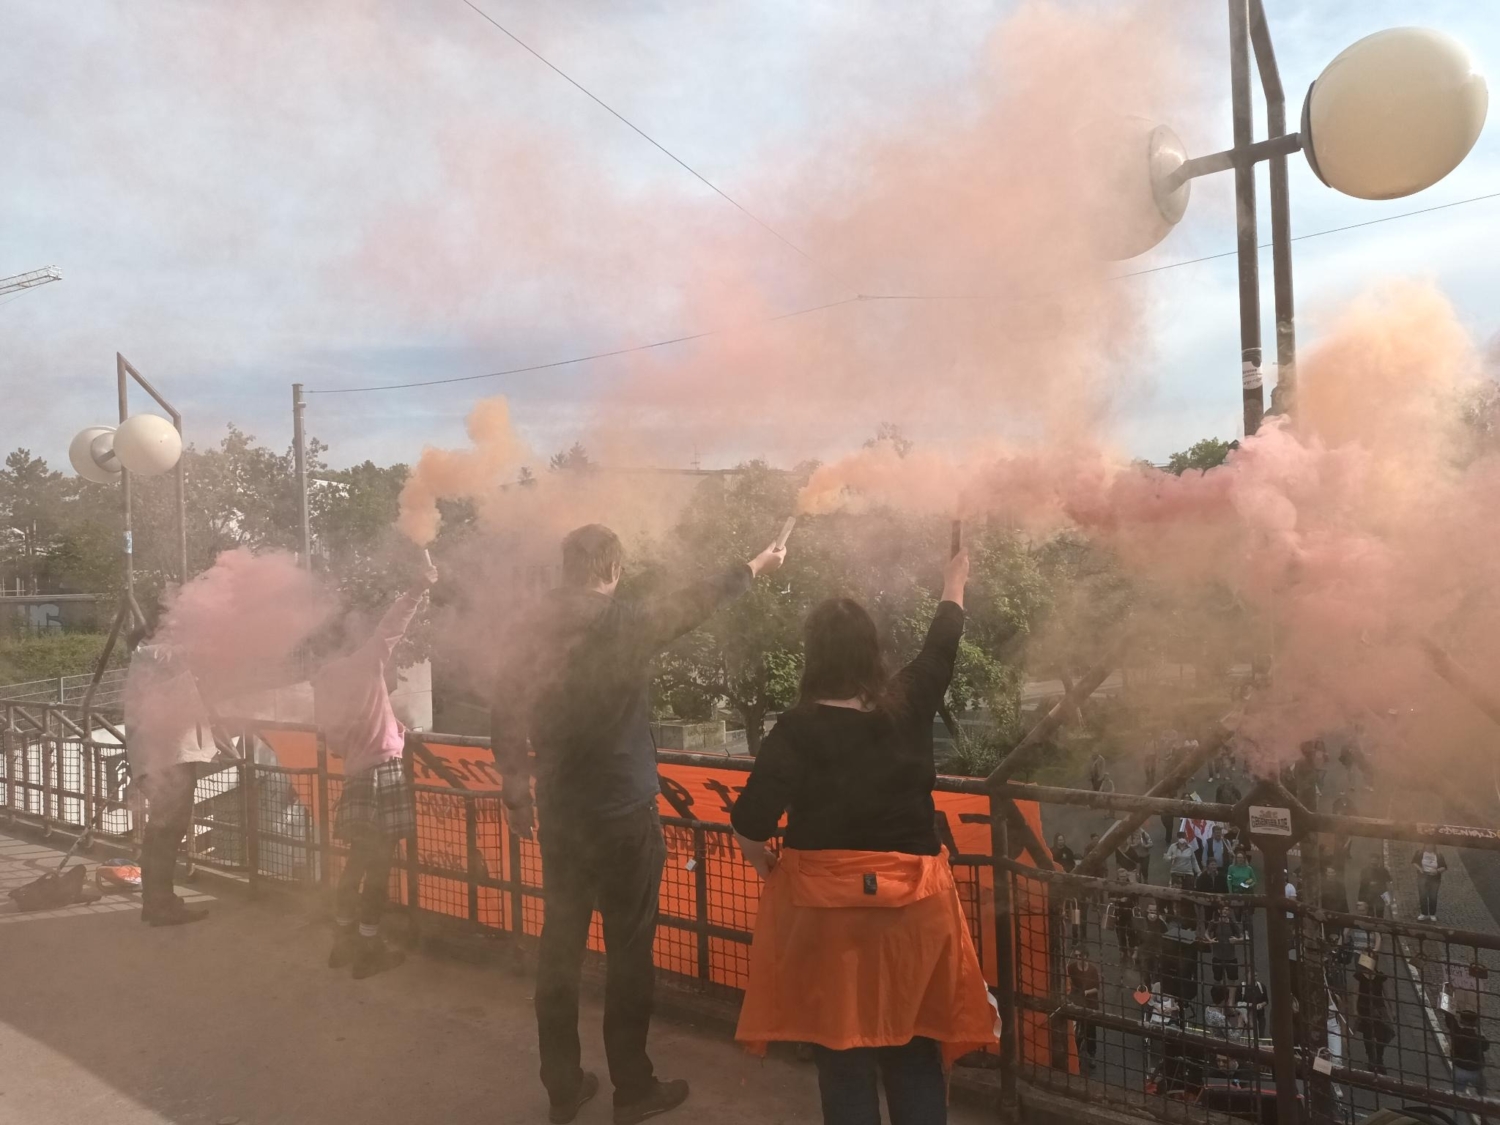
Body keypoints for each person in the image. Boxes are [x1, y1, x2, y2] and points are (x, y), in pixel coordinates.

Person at [493, 524, 786, 1125]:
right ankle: (633, 1088)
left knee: (559, 950)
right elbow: (696, 601)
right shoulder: (621, 622)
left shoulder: (529, 631)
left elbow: (505, 707)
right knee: (629, 956)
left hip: (562, 815)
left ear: (567, 566)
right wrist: (756, 564)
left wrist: (516, 790)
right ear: (613, 567)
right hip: (625, 813)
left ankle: (562, 1087)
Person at [730, 546, 996, 1125]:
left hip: (830, 924)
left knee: (844, 1056)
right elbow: (942, 643)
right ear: (871, 653)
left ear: (813, 656)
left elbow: (750, 822)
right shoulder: (907, 703)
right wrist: (954, 577)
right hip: (916, 914)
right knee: (917, 1051)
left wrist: (770, 869)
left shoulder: (795, 729)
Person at [314, 565, 436, 979]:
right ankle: (369, 947)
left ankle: (343, 942)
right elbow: (392, 626)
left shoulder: (324, 680)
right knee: (380, 865)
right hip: (383, 773)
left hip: (355, 775)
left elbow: (334, 742)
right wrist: (419, 584)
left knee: (355, 863)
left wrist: (388, 727)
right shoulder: (364, 663)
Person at [123, 625, 217, 926]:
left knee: (161, 832)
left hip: (163, 758)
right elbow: (190, 653)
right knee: (166, 832)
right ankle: (160, 904)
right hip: (168, 760)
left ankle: (157, 901)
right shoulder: (150, 655)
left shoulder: (150, 665)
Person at [1353, 963, 1394, 1075]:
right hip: (1365, 1008)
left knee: (1384, 1034)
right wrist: (1355, 1010)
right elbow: (1355, 994)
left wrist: (1392, 1010)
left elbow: (1387, 994)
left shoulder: (1380, 977)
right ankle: (1372, 1059)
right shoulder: (1360, 976)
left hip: (1379, 1010)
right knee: (1369, 1034)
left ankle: (1379, 1058)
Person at [1443, 1005, 1489, 1098]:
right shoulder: (1478, 1038)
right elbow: (1486, 1046)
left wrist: (1449, 1007)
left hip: (1459, 1068)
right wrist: (1480, 1031)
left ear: (1461, 1021)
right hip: (1475, 1071)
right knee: (1482, 1091)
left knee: (1458, 1096)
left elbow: (1450, 1019)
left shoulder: (1456, 1032)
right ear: (1475, 1023)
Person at [1067, 948, 1102, 1072]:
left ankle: (1092, 1054)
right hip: (1078, 1002)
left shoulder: (1092, 970)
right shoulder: (1071, 968)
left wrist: (1085, 992)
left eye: (1080, 955)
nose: (1077, 957)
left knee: (1090, 1030)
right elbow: (1068, 979)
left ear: (1086, 956)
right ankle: (1076, 1056)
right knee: (1077, 1031)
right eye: (1076, 955)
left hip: (1091, 1003)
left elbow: (1097, 988)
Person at [1209, 904, 1239, 1007]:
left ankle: (1230, 1002)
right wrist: (1210, 940)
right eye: (1224, 909)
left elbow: (1242, 936)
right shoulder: (1215, 922)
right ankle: (1219, 1000)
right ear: (1219, 910)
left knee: (1231, 980)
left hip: (1230, 955)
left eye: (1227, 909)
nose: (1226, 911)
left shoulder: (1232, 923)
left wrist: (1237, 940)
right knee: (1218, 979)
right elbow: (1206, 933)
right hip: (1217, 955)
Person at [1412, 845, 1448, 922]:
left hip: (1434, 878)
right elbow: (1414, 862)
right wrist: (1420, 869)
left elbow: (1444, 867)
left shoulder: (1438, 855)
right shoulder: (1419, 853)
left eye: (1431, 845)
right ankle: (1423, 913)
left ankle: (1432, 914)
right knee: (1423, 895)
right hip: (1423, 876)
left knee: (1433, 896)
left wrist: (1437, 871)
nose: (1429, 847)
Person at [1225, 848, 1257, 936]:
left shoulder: (1248, 868)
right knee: (1237, 913)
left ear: (1244, 858)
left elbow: (1254, 880)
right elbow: (1229, 880)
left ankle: (1246, 932)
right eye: (1238, 857)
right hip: (1236, 892)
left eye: (1241, 857)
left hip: (1246, 892)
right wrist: (1231, 892)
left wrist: (1247, 885)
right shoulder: (1231, 868)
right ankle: (1239, 931)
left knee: (1246, 914)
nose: (1240, 859)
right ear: (1235, 858)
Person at [1111, 869, 1139, 965]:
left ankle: (1131, 950)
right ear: (1118, 876)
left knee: (1132, 933)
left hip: (1130, 912)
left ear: (1127, 876)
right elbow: (1110, 897)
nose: (1122, 879)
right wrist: (1119, 900)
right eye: (1121, 877)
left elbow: (1136, 898)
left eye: (1124, 877)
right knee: (1120, 933)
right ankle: (1123, 951)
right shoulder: (1114, 885)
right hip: (1119, 912)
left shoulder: (1131, 885)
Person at [1357, 855, 1393, 920]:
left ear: (1378, 861)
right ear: (1370, 860)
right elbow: (1362, 881)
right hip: (1369, 893)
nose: (1374, 862)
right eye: (1372, 860)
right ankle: (1371, 924)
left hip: (1381, 893)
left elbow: (1389, 880)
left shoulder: (1383, 870)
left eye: (1375, 860)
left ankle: (1379, 924)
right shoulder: (1365, 870)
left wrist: (1388, 896)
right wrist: (1369, 883)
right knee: (1370, 911)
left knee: (1380, 911)